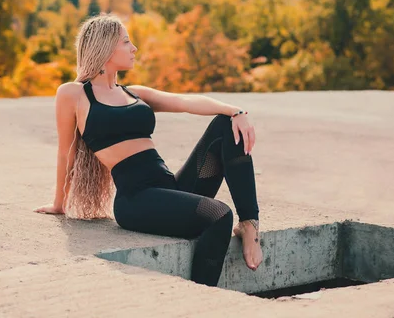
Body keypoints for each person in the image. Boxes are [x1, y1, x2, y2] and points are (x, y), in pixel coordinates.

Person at [34, 14, 262, 287]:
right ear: (105, 47)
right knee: (219, 215)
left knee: (227, 125)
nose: (134, 49)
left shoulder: (134, 93)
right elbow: (65, 153)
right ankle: (202, 294)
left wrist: (236, 111)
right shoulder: (74, 94)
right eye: (126, 42)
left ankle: (249, 224)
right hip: (136, 200)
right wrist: (60, 203)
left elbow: (184, 101)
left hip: (170, 189)